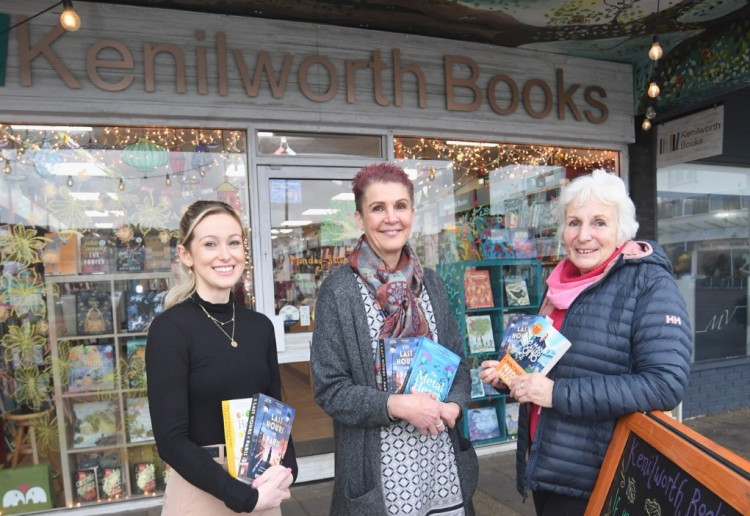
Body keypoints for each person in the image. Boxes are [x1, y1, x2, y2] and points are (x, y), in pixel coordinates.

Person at [479, 169, 692, 516]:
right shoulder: (559, 284)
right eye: (574, 222)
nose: (584, 235)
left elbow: (665, 384)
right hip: (546, 466)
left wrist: (554, 394)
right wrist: (510, 376)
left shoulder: (649, 284)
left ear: (622, 231)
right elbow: (547, 365)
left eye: (599, 223)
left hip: (598, 475)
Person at [310, 163, 478, 516]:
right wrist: (396, 406)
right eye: (378, 208)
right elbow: (330, 388)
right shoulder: (339, 291)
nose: (391, 218)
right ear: (359, 218)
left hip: (441, 464)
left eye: (400, 206)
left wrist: (455, 406)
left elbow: (458, 364)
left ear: (412, 213)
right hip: (381, 476)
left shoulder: (430, 283)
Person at [146, 200, 297, 515]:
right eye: (210, 244)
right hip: (201, 488)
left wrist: (286, 473)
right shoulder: (170, 330)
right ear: (186, 255)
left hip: (261, 482)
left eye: (233, 242)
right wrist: (242, 497)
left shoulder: (260, 327)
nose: (225, 254)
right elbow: (171, 441)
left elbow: (276, 413)